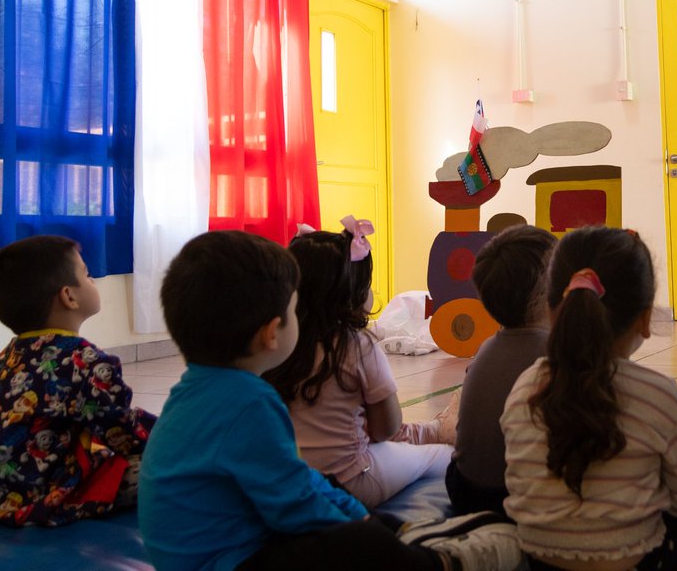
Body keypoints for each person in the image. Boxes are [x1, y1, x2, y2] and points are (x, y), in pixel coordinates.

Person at [139, 230, 523, 571]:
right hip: (231, 560)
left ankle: (401, 535)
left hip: (205, 551)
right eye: (293, 309)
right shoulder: (248, 402)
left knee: (328, 488)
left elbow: (294, 478)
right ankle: (437, 560)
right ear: (273, 333)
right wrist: (360, 526)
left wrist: (356, 513)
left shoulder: (194, 390)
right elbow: (292, 507)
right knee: (359, 542)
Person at [501, 225, 677, 571]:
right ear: (646, 319)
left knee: (661, 450)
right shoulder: (658, 395)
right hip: (643, 562)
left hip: (539, 562)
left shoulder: (522, 388)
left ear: (550, 313)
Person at [263, 217, 453, 509]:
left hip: (288, 481)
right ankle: (438, 432)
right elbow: (386, 429)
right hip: (351, 482)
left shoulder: (274, 345)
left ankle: (434, 428)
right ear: (351, 292)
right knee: (441, 457)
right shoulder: (356, 344)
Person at [0, 236, 156, 526]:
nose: (93, 279)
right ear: (69, 296)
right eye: (88, 274)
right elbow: (123, 434)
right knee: (165, 466)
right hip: (45, 498)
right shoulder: (85, 360)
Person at [446, 225, 556, 515]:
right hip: (515, 498)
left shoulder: (485, 349)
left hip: (465, 490)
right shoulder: (558, 353)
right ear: (550, 290)